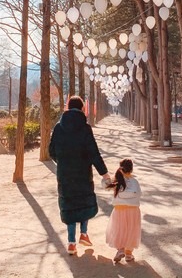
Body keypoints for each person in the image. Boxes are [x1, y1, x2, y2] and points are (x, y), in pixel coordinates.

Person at [49, 95, 111, 255]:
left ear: (67, 107)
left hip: (65, 174)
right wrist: (104, 173)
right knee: (83, 202)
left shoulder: (58, 127)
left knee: (69, 205)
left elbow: (51, 151)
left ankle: (71, 243)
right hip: (83, 173)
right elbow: (94, 153)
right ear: (82, 108)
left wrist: (62, 161)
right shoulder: (85, 128)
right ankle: (83, 234)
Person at [105, 158, 141, 263]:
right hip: (133, 210)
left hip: (119, 209)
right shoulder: (135, 181)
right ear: (131, 169)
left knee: (119, 229)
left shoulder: (117, 181)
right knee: (131, 230)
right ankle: (129, 254)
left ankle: (120, 250)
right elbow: (139, 194)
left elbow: (105, 185)